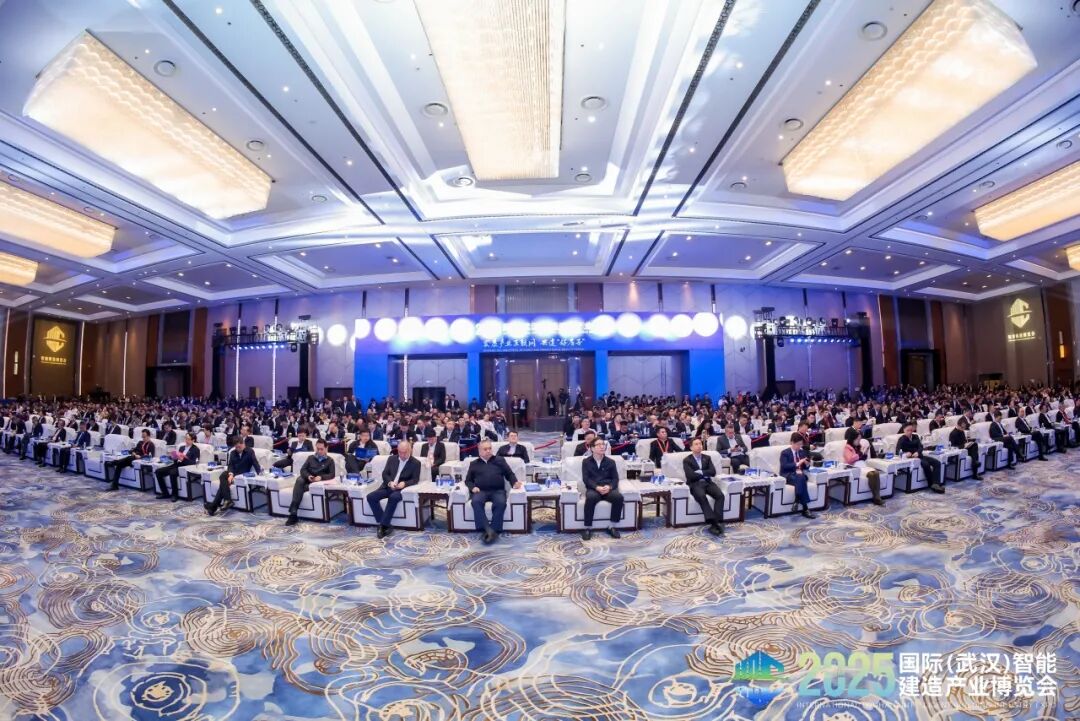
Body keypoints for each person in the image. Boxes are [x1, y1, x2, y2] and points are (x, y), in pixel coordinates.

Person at [464, 440, 520, 544]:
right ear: (479, 451)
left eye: (490, 448)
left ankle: (492, 530)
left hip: (497, 491)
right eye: (485, 449)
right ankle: (488, 529)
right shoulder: (474, 464)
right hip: (481, 491)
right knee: (475, 502)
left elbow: (509, 474)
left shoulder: (500, 460)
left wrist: (514, 482)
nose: (488, 451)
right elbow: (468, 481)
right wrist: (472, 488)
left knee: (501, 503)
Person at [368, 440, 421, 538]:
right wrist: (390, 482)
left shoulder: (416, 463)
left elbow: (415, 479)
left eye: (404, 452)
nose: (402, 455)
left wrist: (404, 483)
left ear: (410, 450)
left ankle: (382, 526)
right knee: (371, 497)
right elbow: (385, 474)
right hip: (388, 486)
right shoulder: (392, 459)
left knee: (393, 497)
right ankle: (386, 524)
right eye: (400, 452)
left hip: (401, 490)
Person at [580, 437, 623, 540]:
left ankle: (612, 526)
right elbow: (586, 479)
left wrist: (610, 487)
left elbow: (615, 478)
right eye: (599, 445)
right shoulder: (586, 462)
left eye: (603, 444)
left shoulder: (611, 462)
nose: (602, 446)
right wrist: (596, 487)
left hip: (608, 488)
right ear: (592, 448)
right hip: (593, 489)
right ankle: (588, 528)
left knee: (618, 497)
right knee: (590, 498)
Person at [285, 439, 336, 526]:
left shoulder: (330, 460)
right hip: (308, 479)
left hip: (317, 482)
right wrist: (308, 476)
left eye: (321, 449)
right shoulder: (310, 458)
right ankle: (293, 513)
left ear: (326, 448)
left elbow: (332, 474)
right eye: (318, 449)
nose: (319, 451)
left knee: (299, 487)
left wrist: (321, 477)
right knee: (299, 480)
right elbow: (303, 470)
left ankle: (293, 515)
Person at [206, 436, 261, 516]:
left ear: (243, 444)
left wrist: (260, 473)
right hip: (233, 473)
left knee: (222, 486)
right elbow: (230, 465)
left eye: (240, 447)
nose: (238, 449)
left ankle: (213, 506)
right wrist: (231, 474)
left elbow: (255, 463)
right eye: (236, 447)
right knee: (223, 476)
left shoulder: (250, 451)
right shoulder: (233, 453)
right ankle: (227, 500)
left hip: (242, 474)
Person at [681, 437, 724, 535]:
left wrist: (700, 472)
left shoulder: (707, 458)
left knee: (720, 495)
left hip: (708, 482)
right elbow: (690, 476)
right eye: (696, 444)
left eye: (700, 444)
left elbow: (713, 472)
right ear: (691, 447)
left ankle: (717, 520)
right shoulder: (687, 460)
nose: (699, 446)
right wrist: (705, 473)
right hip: (695, 484)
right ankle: (713, 522)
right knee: (701, 496)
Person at [896, 422, 943, 493]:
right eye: (908, 430)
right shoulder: (901, 439)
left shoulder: (915, 436)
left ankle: (936, 483)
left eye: (911, 430)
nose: (910, 432)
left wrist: (918, 452)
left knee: (937, 463)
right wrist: (905, 454)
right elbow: (897, 451)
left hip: (920, 455)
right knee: (926, 464)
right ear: (904, 430)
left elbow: (920, 446)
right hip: (912, 458)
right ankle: (931, 484)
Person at [779, 434, 817, 519]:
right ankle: (805, 509)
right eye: (798, 444)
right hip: (788, 475)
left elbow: (805, 468)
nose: (799, 446)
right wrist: (798, 463)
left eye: (801, 444)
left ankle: (797, 500)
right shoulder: (785, 453)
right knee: (801, 478)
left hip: (799, 476)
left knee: (801, 477)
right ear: (792, 442)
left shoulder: (801, 452)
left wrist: (807, 464)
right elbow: (784, 466)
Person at [155, 432, 200, 500]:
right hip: (176, 464)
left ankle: (174, 495)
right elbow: (176, 458)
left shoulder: (195, 449)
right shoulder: (182, 447)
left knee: (172, 473)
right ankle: (165, 493)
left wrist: (183, 459)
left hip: (184, 467)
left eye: (188, 439)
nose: (186, 441)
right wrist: (174, 457)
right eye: (186, 439)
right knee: (158, 471)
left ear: (193, 440)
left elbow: (194, 463)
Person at [842, 434, 885, 506]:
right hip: (855, 467)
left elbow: (863, 458)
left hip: (863, 465)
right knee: (871, 474)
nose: (859, 441)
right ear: (853, 439)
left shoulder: (858, 447)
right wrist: (859, 454)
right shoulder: (847, 448)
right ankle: (877, 498)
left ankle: (877, 497)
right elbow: (850, 460)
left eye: (860, 439)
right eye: (858, 439)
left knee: (875, 473)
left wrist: (864, 453)